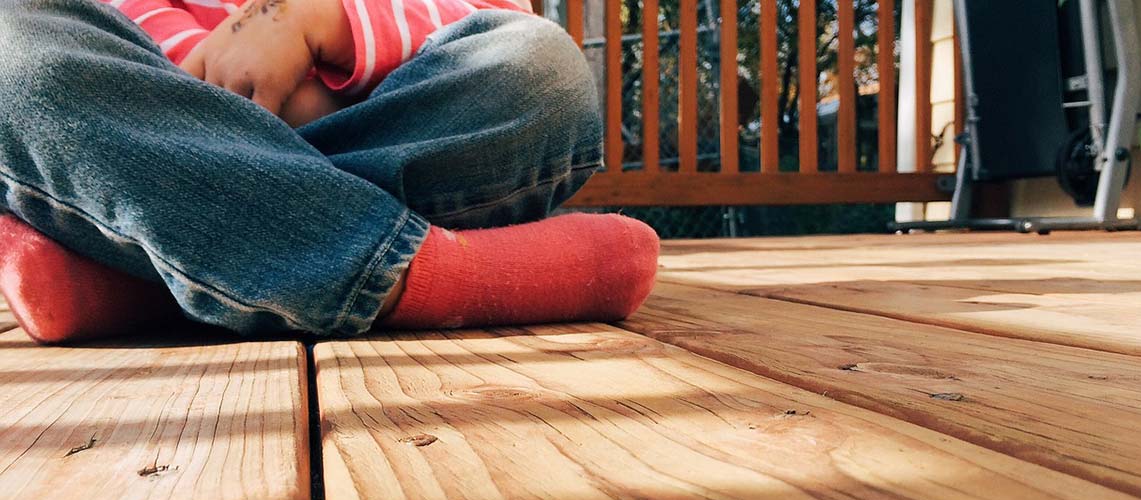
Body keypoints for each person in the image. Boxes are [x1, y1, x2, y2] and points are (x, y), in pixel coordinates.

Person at [0, 0, 659, 344]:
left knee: (539, 68)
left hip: (369, 131)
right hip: (178, 123)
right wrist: (248, 98)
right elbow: (108, 66)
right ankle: (438, 275)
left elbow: (499, 21)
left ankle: (138, 276)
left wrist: (318, 20)